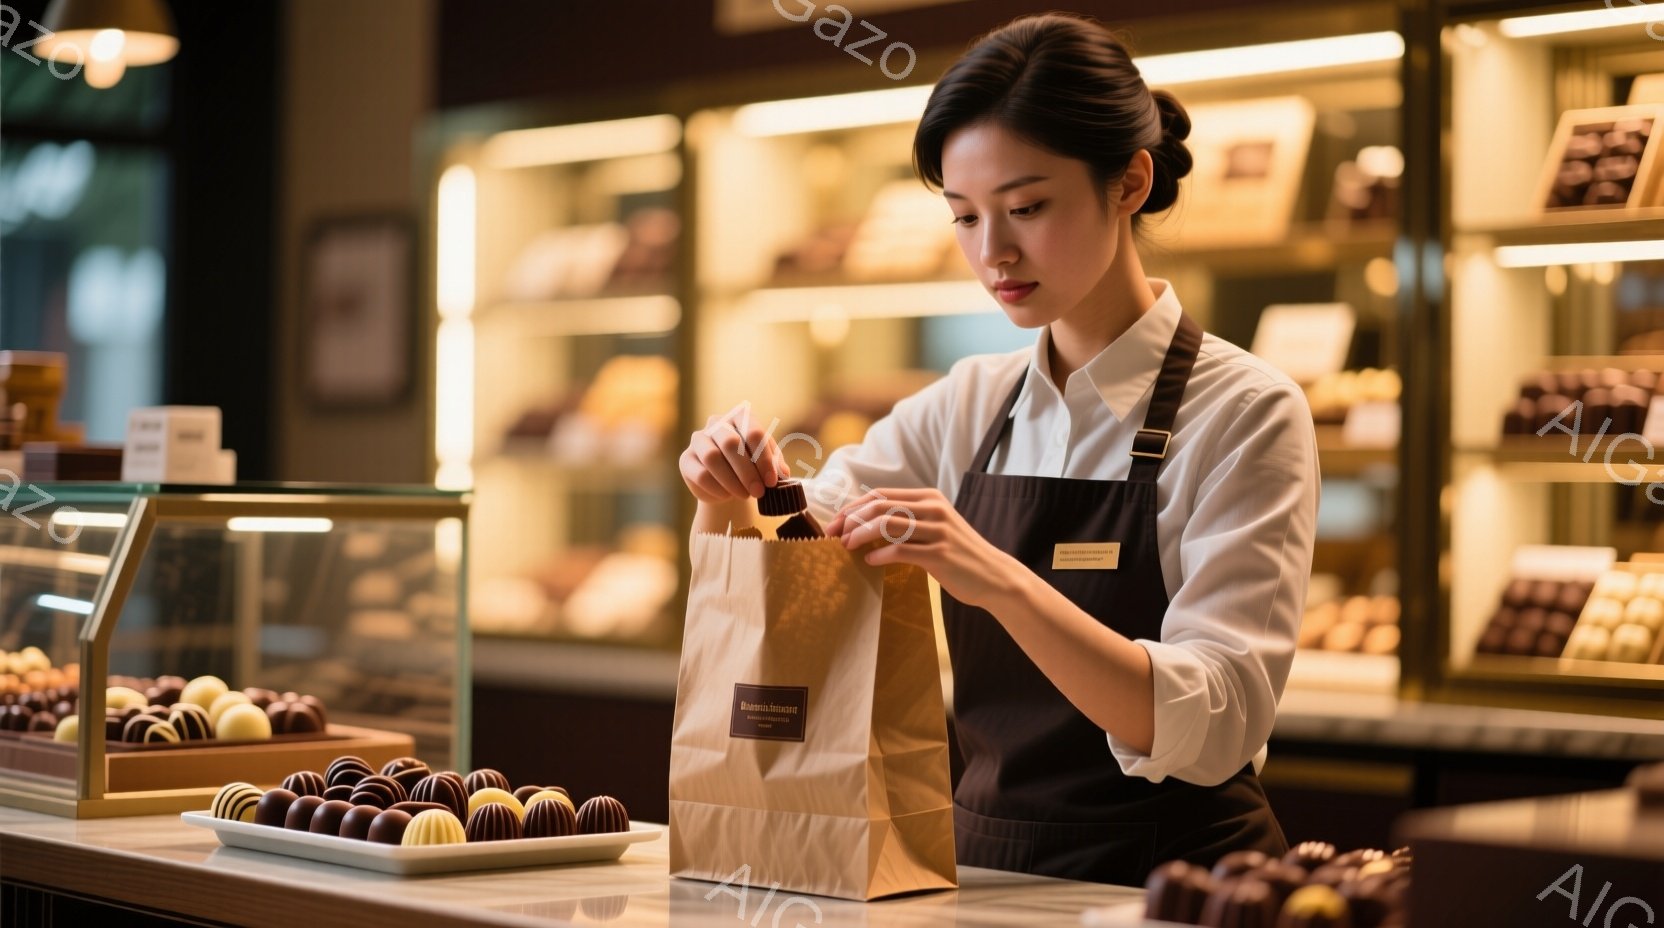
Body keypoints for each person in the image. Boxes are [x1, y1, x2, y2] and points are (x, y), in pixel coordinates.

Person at [681, 12, 1318, 887]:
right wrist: (731, 493)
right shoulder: (968, 403)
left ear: (1129, 182)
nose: (994, 253)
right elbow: (796, 567)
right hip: (979, 869)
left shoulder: (1247, 411)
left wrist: (995, 576)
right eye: (964, 216)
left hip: (1176, 883)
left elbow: (1216, 727)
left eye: (1026, 208)